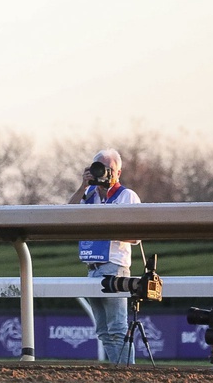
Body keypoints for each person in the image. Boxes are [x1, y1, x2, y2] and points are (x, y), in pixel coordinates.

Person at [68, 148, 141, 364]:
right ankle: (119, 371)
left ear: (118, 172)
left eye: (108, 169)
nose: (103, 173)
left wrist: (104, 231)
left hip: (114, 266)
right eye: (98, 168)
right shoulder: (89, 196)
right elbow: (65, 217)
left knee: (117, 328)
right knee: (103, 331)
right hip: (92, 268)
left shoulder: (127, 196)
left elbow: (136, 236)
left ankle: (128, 375)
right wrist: (83, 185)